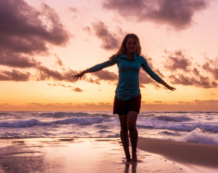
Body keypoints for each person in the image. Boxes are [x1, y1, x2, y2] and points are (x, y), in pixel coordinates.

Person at [73, 33, 175, 162]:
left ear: (137, 45)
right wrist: (85, 71)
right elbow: (102, 65)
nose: (132, 45)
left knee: (131, 125)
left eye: (134, 43)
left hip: (135, 96)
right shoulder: (119, 58)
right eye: (129, 43)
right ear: (125, 45)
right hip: (120, 96)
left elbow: (152, 74)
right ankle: (127, 157)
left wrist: (165, 84)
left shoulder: (140, 60)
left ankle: (134, 154)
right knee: (123, 127)